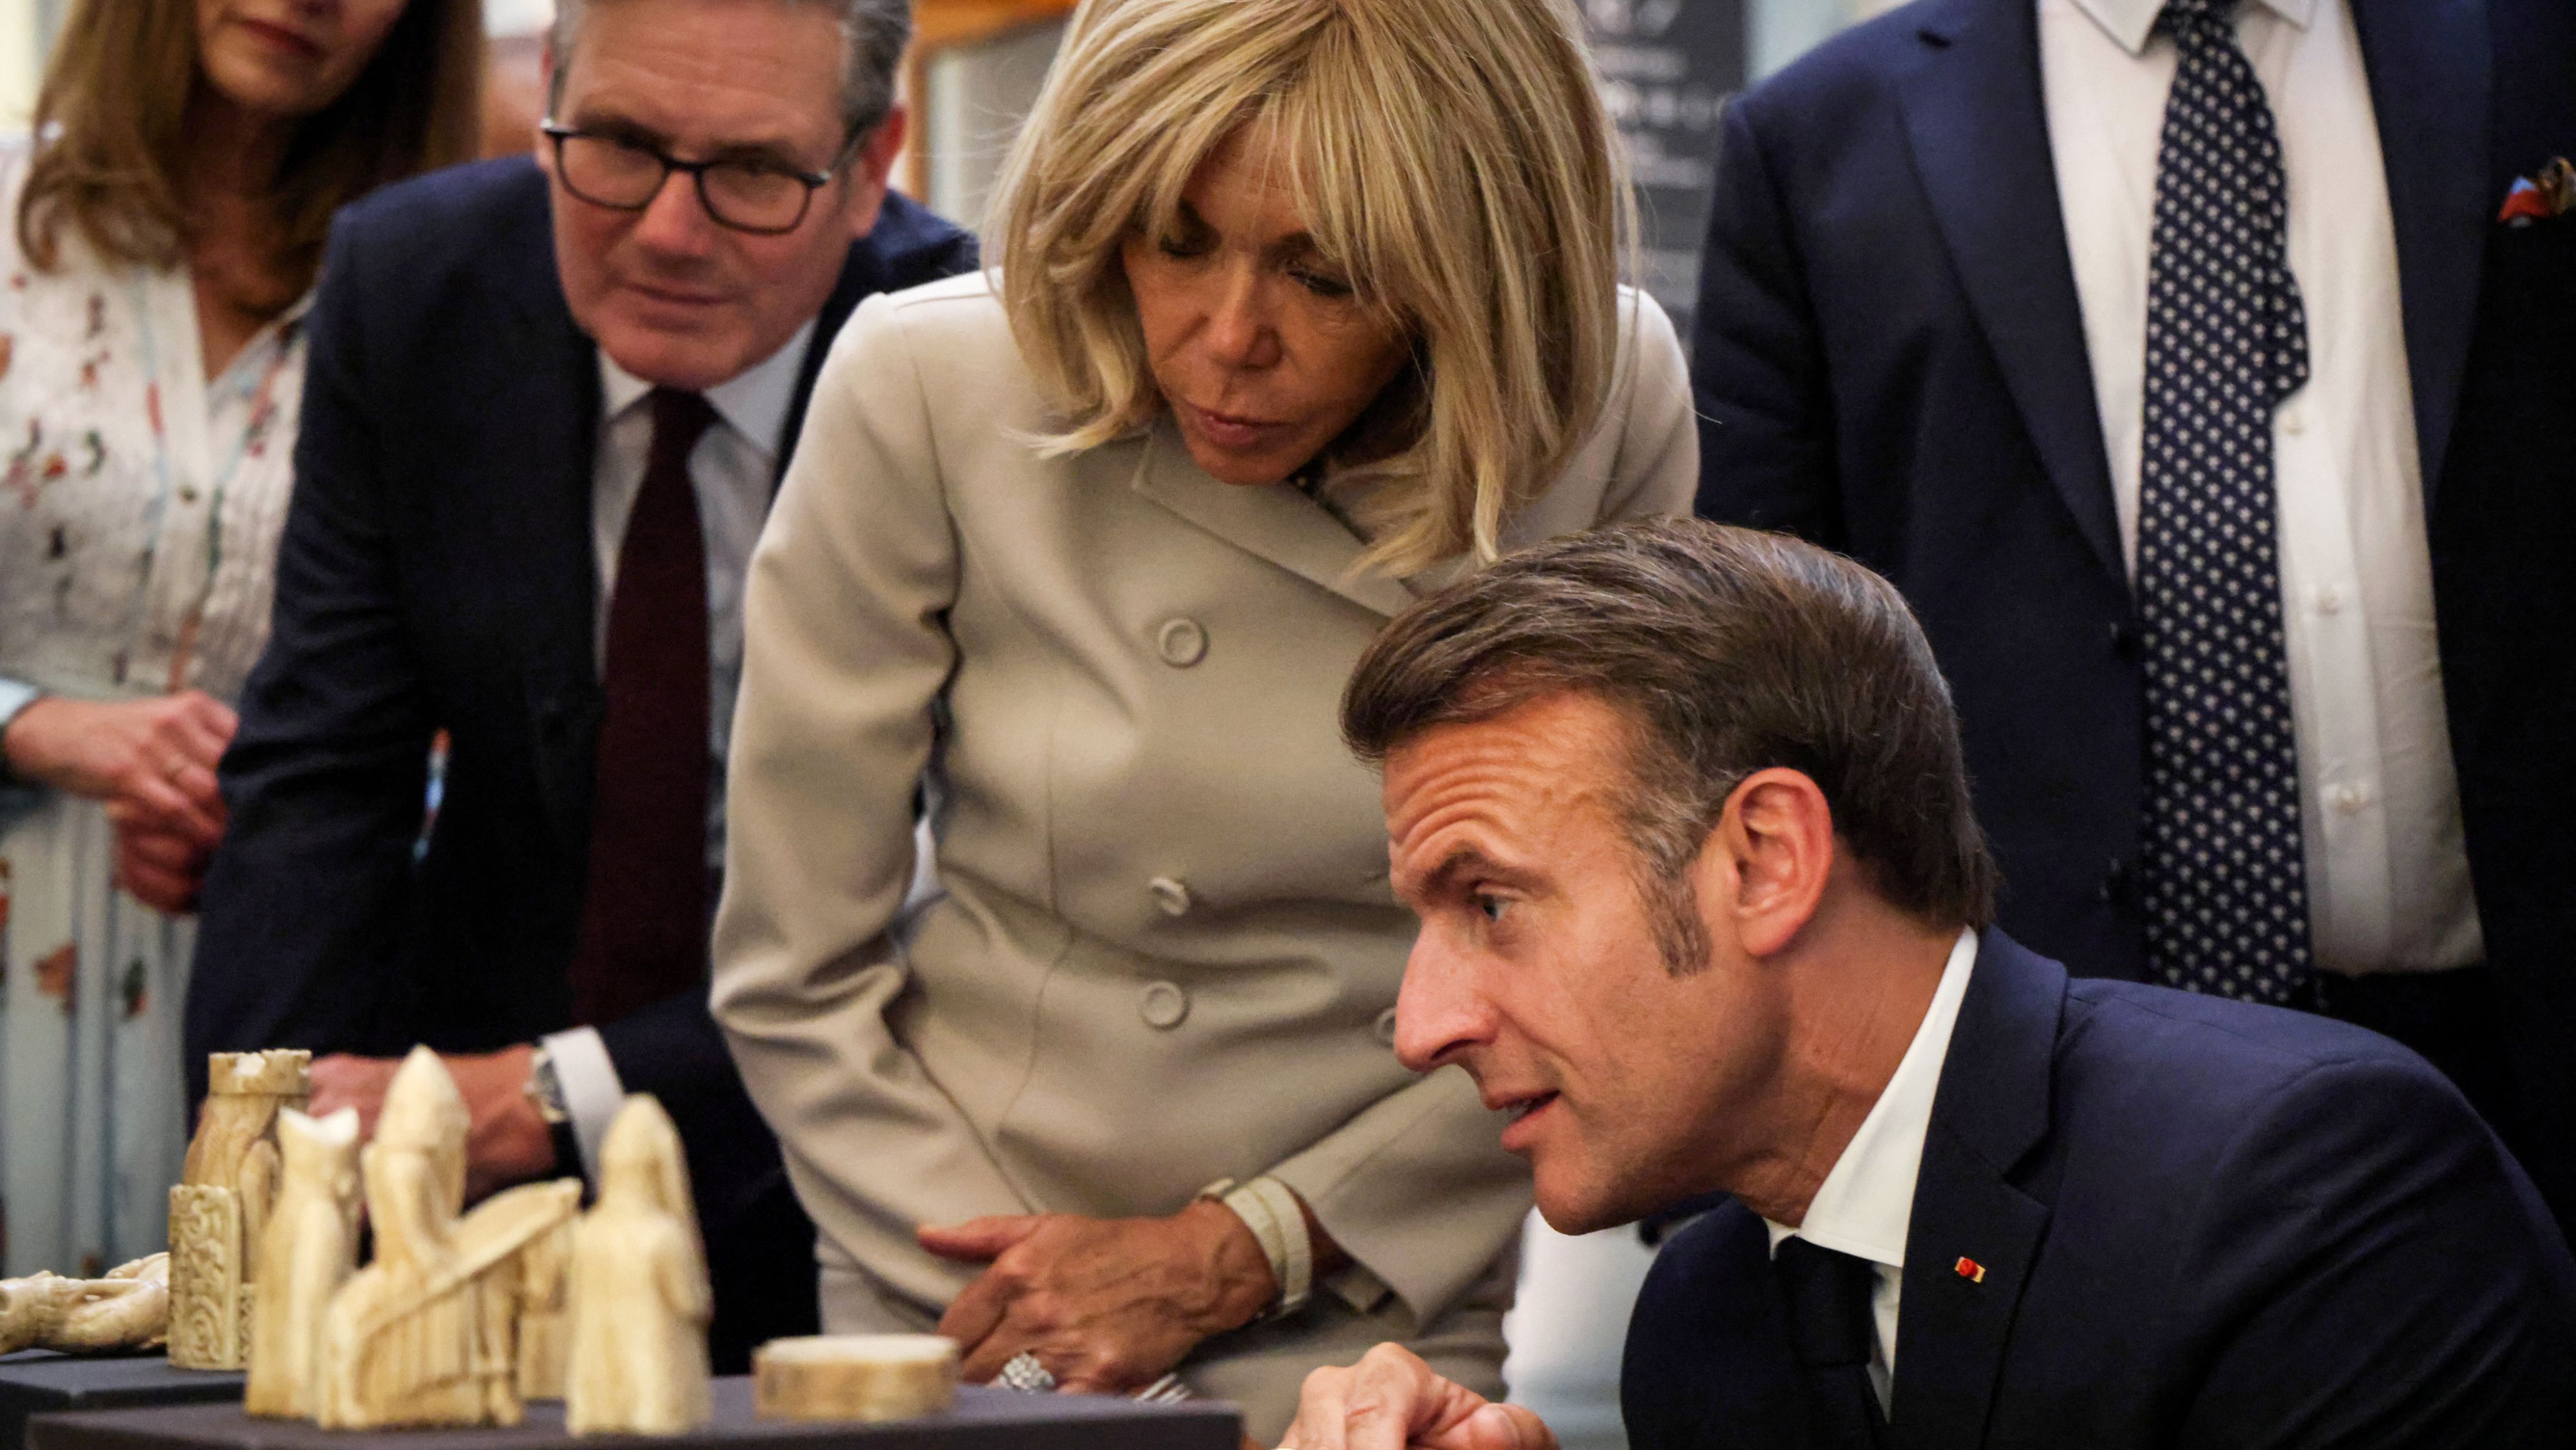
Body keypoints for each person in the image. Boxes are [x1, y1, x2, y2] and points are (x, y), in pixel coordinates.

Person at [709, 0, 1696, 1435]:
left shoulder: (1600, 404)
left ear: (1470, 268)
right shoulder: (933, 380)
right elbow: (793, 977)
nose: (1229, 340)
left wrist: (1241, 1253)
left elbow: (1599, 972)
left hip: (1369, 1273)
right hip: (967, 1267)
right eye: (1173, 241)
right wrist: (1029, 1314)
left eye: (1327, 274)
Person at [1281, 518, 2576, 1450]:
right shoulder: (1703, 1322)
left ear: (1766, 860)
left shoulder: (2303, 1195)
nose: (1422, 1025)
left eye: (1490, 903)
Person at [1688, 0, 2576, 1231]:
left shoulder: (2526, 48)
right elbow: (1754, 686)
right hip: (2051, 1114)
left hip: (2516, 1068)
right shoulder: (1823, 139)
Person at [180, 0, 977, 1370]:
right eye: (617, 143)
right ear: (548, 98)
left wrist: (562, 1093)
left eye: (750, 172)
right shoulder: (415, 284)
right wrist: (260, 1174)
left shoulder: (972, 361)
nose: (667, 231)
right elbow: (323, 773)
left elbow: (966, 896)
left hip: (865, 1155)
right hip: (464, 1152)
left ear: (869, 167)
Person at [0, 0, 481, 1277]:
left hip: (282, 972)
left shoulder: (435, 293)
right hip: (17, 906)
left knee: (218, 1353)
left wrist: (282, 811)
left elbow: (483, 699)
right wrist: (32, 723)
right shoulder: (7, 220)